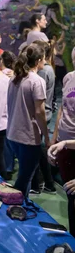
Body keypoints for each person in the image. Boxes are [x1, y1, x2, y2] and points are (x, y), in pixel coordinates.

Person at [5, 45, 50, 198]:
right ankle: (14, 204)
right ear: (38, 61)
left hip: (12, 134)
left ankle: (22, 203)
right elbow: (39, 112)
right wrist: (47, 136)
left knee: (25, 175)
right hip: (28, 137)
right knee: (24, 178)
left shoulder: (14, 78)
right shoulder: (36, 81)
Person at [48, 46, 75, 235]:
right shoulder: (68, 78)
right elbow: (63, 110)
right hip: (65, 143)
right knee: (70, 196)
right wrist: (56, 138)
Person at [31, 41, 56, 194]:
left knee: (36, 150)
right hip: (45, 112)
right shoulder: (49, 69)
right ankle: (47, 183)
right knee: (38, 150)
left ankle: (37, 184)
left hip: (41, 114)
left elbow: (38, 96)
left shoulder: (42, 71)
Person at [54, 32, 67, 99]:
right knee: (55, 84)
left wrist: (64, 30)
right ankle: (54, 99)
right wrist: (63, 47)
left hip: (61, 66)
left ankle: (66, 95)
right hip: (56, 67)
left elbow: (61, 38)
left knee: (64, 82)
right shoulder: (51, 45)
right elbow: (59, 53)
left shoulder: (55, 43)